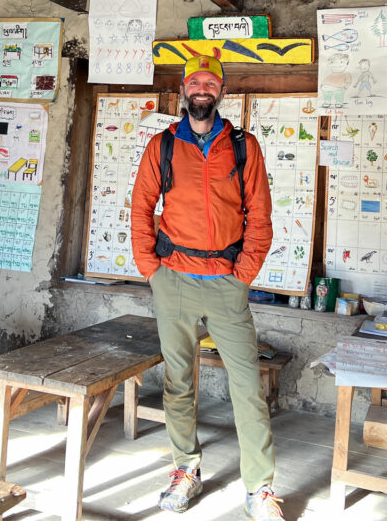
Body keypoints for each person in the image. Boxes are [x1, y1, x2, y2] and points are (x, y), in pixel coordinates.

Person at [130, 55, 281, 520]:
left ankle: (259, 488)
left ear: (221, 91)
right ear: (183, 90)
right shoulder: (162, 146)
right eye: (194, 81)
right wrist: (150, 269)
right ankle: (186, 469)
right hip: (172, 279)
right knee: (178, 383)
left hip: (226, 283)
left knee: (247, 387)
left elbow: (260, 215)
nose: (201, 88)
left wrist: (244, 274)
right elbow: (140, 207)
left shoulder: (243, 146)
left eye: (209, 82)